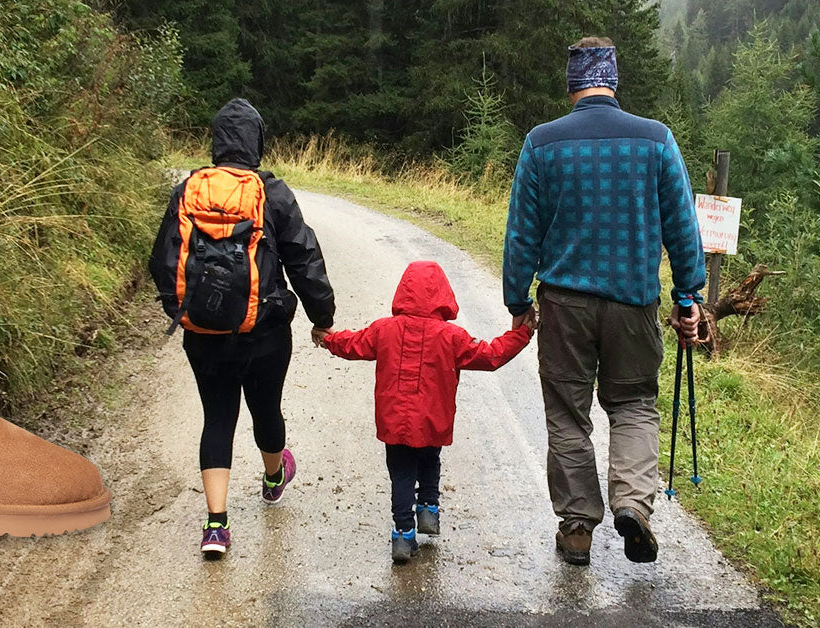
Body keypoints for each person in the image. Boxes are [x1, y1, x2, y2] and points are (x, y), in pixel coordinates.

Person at [503, 37, 706, 566]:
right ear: (613, 80)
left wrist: (517, 299)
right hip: (633, 302)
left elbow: (521, 234)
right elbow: (683, 227)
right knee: (634, 404)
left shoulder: (541, 144)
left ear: (571, 83)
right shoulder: (656, 140)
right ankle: (632, 504)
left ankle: (577, 529)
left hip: (564, 306)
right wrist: (688, 294)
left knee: (567, 415)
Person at [149, 98, 336, 559]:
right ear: (257, 142)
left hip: (203, 333)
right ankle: (274, 477)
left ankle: (216, 524)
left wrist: (185, 310)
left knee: (217, 417)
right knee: (266, 408)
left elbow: (162, 261)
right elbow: (304, 258)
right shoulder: (272, 193)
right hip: (264, 332)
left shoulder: (188, 190)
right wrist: (322, 317)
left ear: (216, 142)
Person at [322, 261, 532, 564]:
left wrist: (328, 337)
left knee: (401, 472)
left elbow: (353, 343)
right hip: (433, 419)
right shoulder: (453, 336)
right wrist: (522, 334)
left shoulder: (384, 330)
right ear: (443, 295)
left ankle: (403, 533)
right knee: (430, 459)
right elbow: (490, 355)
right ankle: (429, 509)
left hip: (394, 420)